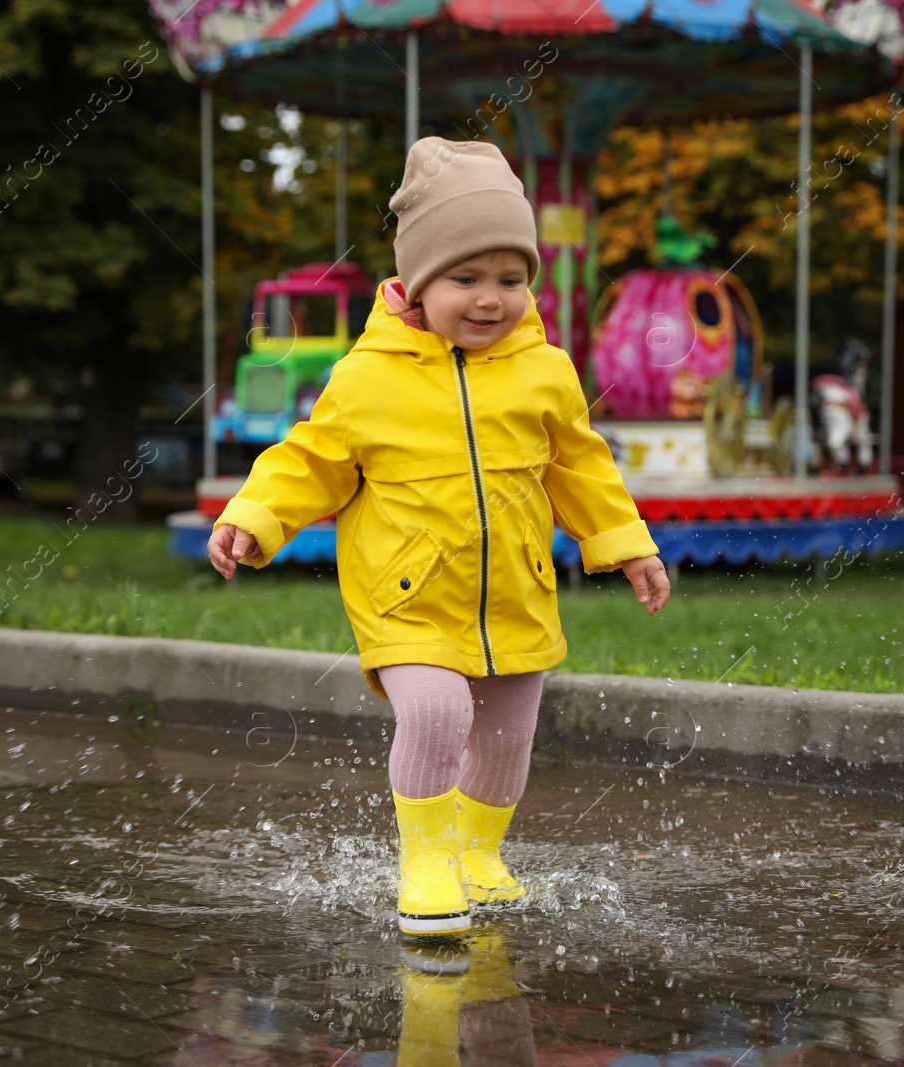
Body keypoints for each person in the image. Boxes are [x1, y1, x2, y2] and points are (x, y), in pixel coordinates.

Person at [207, 137, 670, 938]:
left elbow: (581, 468)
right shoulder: (368, 375)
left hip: (515, 594)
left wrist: (627, 542)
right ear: (418, 282)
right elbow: (311, 460)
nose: (491, 299)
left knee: (506, 739)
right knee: (436, 712)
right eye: (466, 279)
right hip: (406, 595)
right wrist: (254, 517)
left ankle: (477, 852)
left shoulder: (545, 371)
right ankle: (424, 861)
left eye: (511, 279)